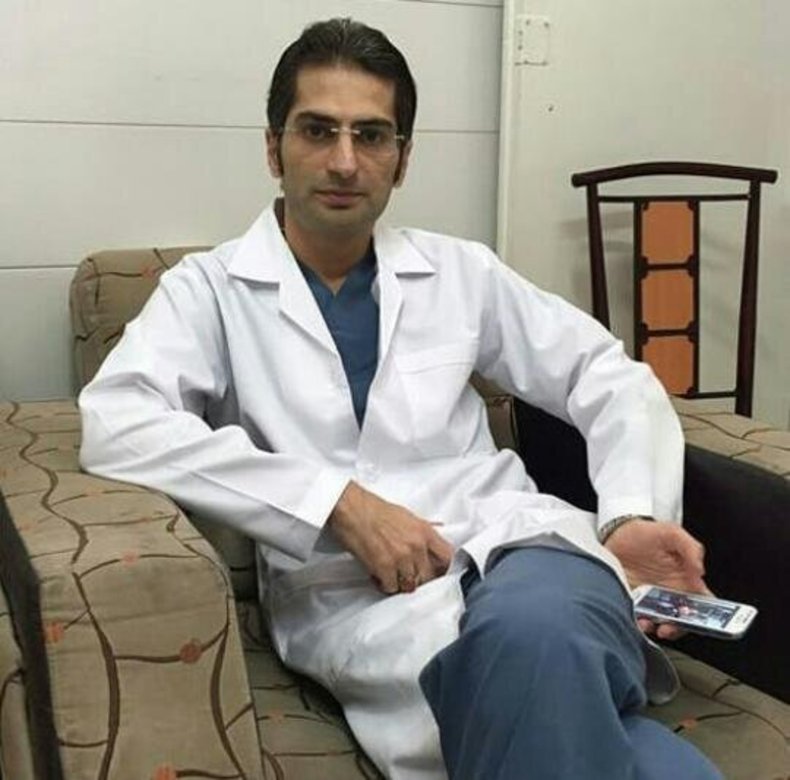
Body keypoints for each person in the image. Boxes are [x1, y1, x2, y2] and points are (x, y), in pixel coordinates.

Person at [78, 17, 723, 780]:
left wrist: (629, 514)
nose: (344, 161)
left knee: (533, 633)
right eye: (318, 130)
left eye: (372, 136)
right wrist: (334, 502)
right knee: (594, 716)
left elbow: (605, 375)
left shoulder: (460, 272)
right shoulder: (209, 291)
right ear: (274, 149)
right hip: (362, 601)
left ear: (403, 158)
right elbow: (118, 423)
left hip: (525, 552)